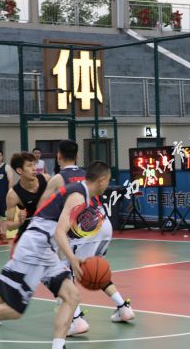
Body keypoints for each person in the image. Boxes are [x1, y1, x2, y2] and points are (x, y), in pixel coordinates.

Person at [0, 161, 113, 349]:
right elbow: (59, 232)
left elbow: (57, 229)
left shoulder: (79, 192)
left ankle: (58, 346)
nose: (108, 185)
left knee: (72, 296)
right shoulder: (78, 197)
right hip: (35, 247)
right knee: (13, 310)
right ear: (102, 180)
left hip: (46, 249)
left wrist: (68, 256)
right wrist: (72, 259)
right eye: (108, 181)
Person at [42, 139, 134, 331]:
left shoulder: (58, 178)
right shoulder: (88, 173)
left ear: (58, 156)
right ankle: (123, 307)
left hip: (84, 227)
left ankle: (76, 320)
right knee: (95, 270)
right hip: (103, 222)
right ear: (77, 156)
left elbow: (43, 205)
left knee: (64, 271)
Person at [0, 151, 50, 331]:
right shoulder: (14, 194)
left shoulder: (46, 180)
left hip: (48, 238)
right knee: (12, 279)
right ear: (20, 171)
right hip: (26, 240)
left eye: (34, 164)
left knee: (62, 276)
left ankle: (73, 316)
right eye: (29, 165)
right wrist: (19, 221)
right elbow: (7, 225)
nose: (34, 168)